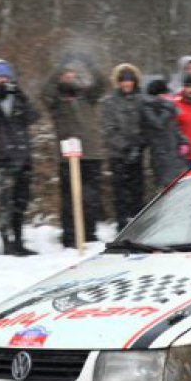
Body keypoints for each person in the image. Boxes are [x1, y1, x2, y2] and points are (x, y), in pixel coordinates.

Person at [41, 54, 107, 248]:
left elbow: (102, 85)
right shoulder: (56, 102)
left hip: (92, 153)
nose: (69, 78)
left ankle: (89, 232)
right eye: (65, 75)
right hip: (68, 156)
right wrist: (57, 70)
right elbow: (45, 92)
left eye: (71, 74)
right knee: (70, 198)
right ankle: (70, 235)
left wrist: (91, 64)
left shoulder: (87, 97)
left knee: (91, 197)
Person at [0, 58, 40, 256]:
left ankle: (19, 240)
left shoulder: (18, 98)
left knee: (21, 202)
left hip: (23, 157)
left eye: (5, 77)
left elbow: (33, 117)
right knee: (4, 204)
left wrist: (20, 96)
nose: (2, 80)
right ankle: (6, 242)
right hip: (2, 160)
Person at [101, 63, 146, 230]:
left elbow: (146, 124)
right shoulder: (109, 102)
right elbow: (108, 129)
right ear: (118, 82)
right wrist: (125, 147)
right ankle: (122, 226)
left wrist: (140, 145)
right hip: (118, 155)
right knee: (120, 193)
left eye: (130, 80)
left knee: (138, 193)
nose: (127, 84)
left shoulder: (141, 99)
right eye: (123, 81)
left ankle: (138, 226)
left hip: (138, 153)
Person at [143, 79, 189, 188]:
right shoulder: (149, 108)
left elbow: (174, 128)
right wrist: (168, 108)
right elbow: (158, 124)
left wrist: (183, 141)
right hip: (162, 159)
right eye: (165, 94)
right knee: (168, 192)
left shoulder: (166, 108)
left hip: (175, 156)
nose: (168, 97)